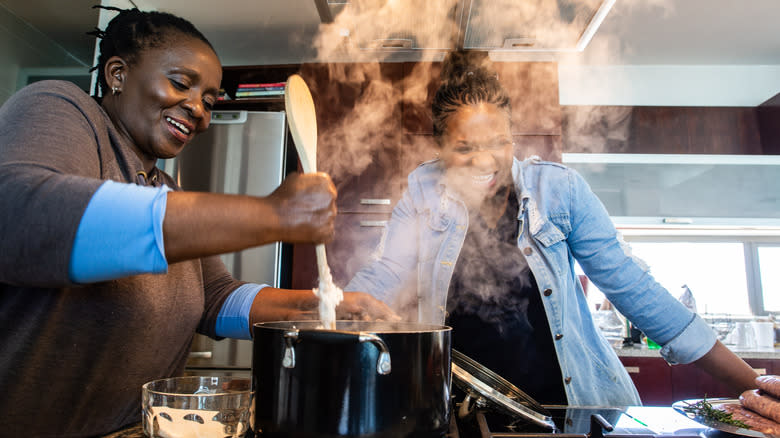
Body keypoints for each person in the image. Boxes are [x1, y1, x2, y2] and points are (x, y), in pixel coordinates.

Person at [0, 7, 395, 437]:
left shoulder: (166, 189)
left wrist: (326, 306)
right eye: (180, 83)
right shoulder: (63, 107)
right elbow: (20, 215)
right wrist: (272, 214)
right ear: (117, 73)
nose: (199, 111)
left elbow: (216, 300)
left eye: (209, 101)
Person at [346, 51, 758, 406]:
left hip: (566, 406)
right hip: (460, 406)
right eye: (464, 147)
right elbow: (387, 274)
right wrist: (329, 309)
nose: (484, 161)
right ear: (439, 147)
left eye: (498, 142)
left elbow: (632, 287)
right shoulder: (424, 191)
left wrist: (754, 386)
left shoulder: (559, 193)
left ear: (513, 139)